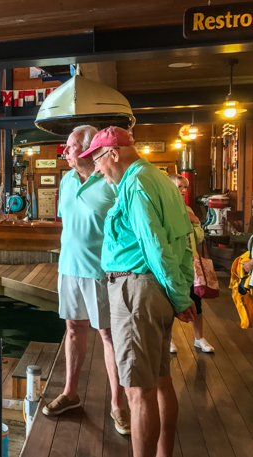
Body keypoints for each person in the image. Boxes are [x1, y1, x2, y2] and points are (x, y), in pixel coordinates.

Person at [81, 126, 196, 457]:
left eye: (99, 161)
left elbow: (155, 244)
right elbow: (184, 241)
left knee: (138, 392)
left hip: (136, 292)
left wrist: (180, 298)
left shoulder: (136, 182)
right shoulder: (157, 177)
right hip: (150, 291)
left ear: (113, 154)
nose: (99, 170)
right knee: (159, 381)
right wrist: (178, 292)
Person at [42, 125, 130, 435]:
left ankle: (118, 404)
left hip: (101, 271)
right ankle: (70, 393)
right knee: (73, 328)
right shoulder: (66, 181)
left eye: (70, 146)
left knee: (108, 335)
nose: (64, 152)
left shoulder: (110, 181)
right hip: (68, 268)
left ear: (89, 149)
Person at [167, 174, 214, 353]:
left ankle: (199, 338)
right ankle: (169, 339)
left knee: (196, 300)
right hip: (173, 262)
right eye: (179, 186)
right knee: (170, 301)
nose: (183, 190)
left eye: (184, 187)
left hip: (191, 262)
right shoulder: (165, 209)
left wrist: (195, 223)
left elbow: (199, 238)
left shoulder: (189, 210)